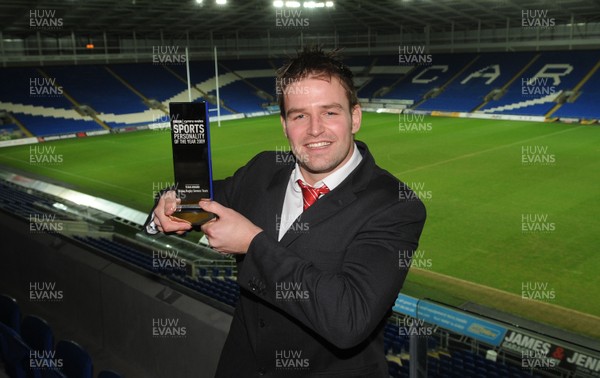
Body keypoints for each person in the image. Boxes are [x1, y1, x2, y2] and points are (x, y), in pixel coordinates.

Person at [146, 46, 426, 377]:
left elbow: (350, 319)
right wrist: (169, 203)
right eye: (299, 115)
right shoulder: (262, 170)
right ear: (284, 125)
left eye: (330, 113)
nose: (315, 130)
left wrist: (253, 243)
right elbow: (198, 199)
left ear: (356, 117)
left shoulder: (395, 204)